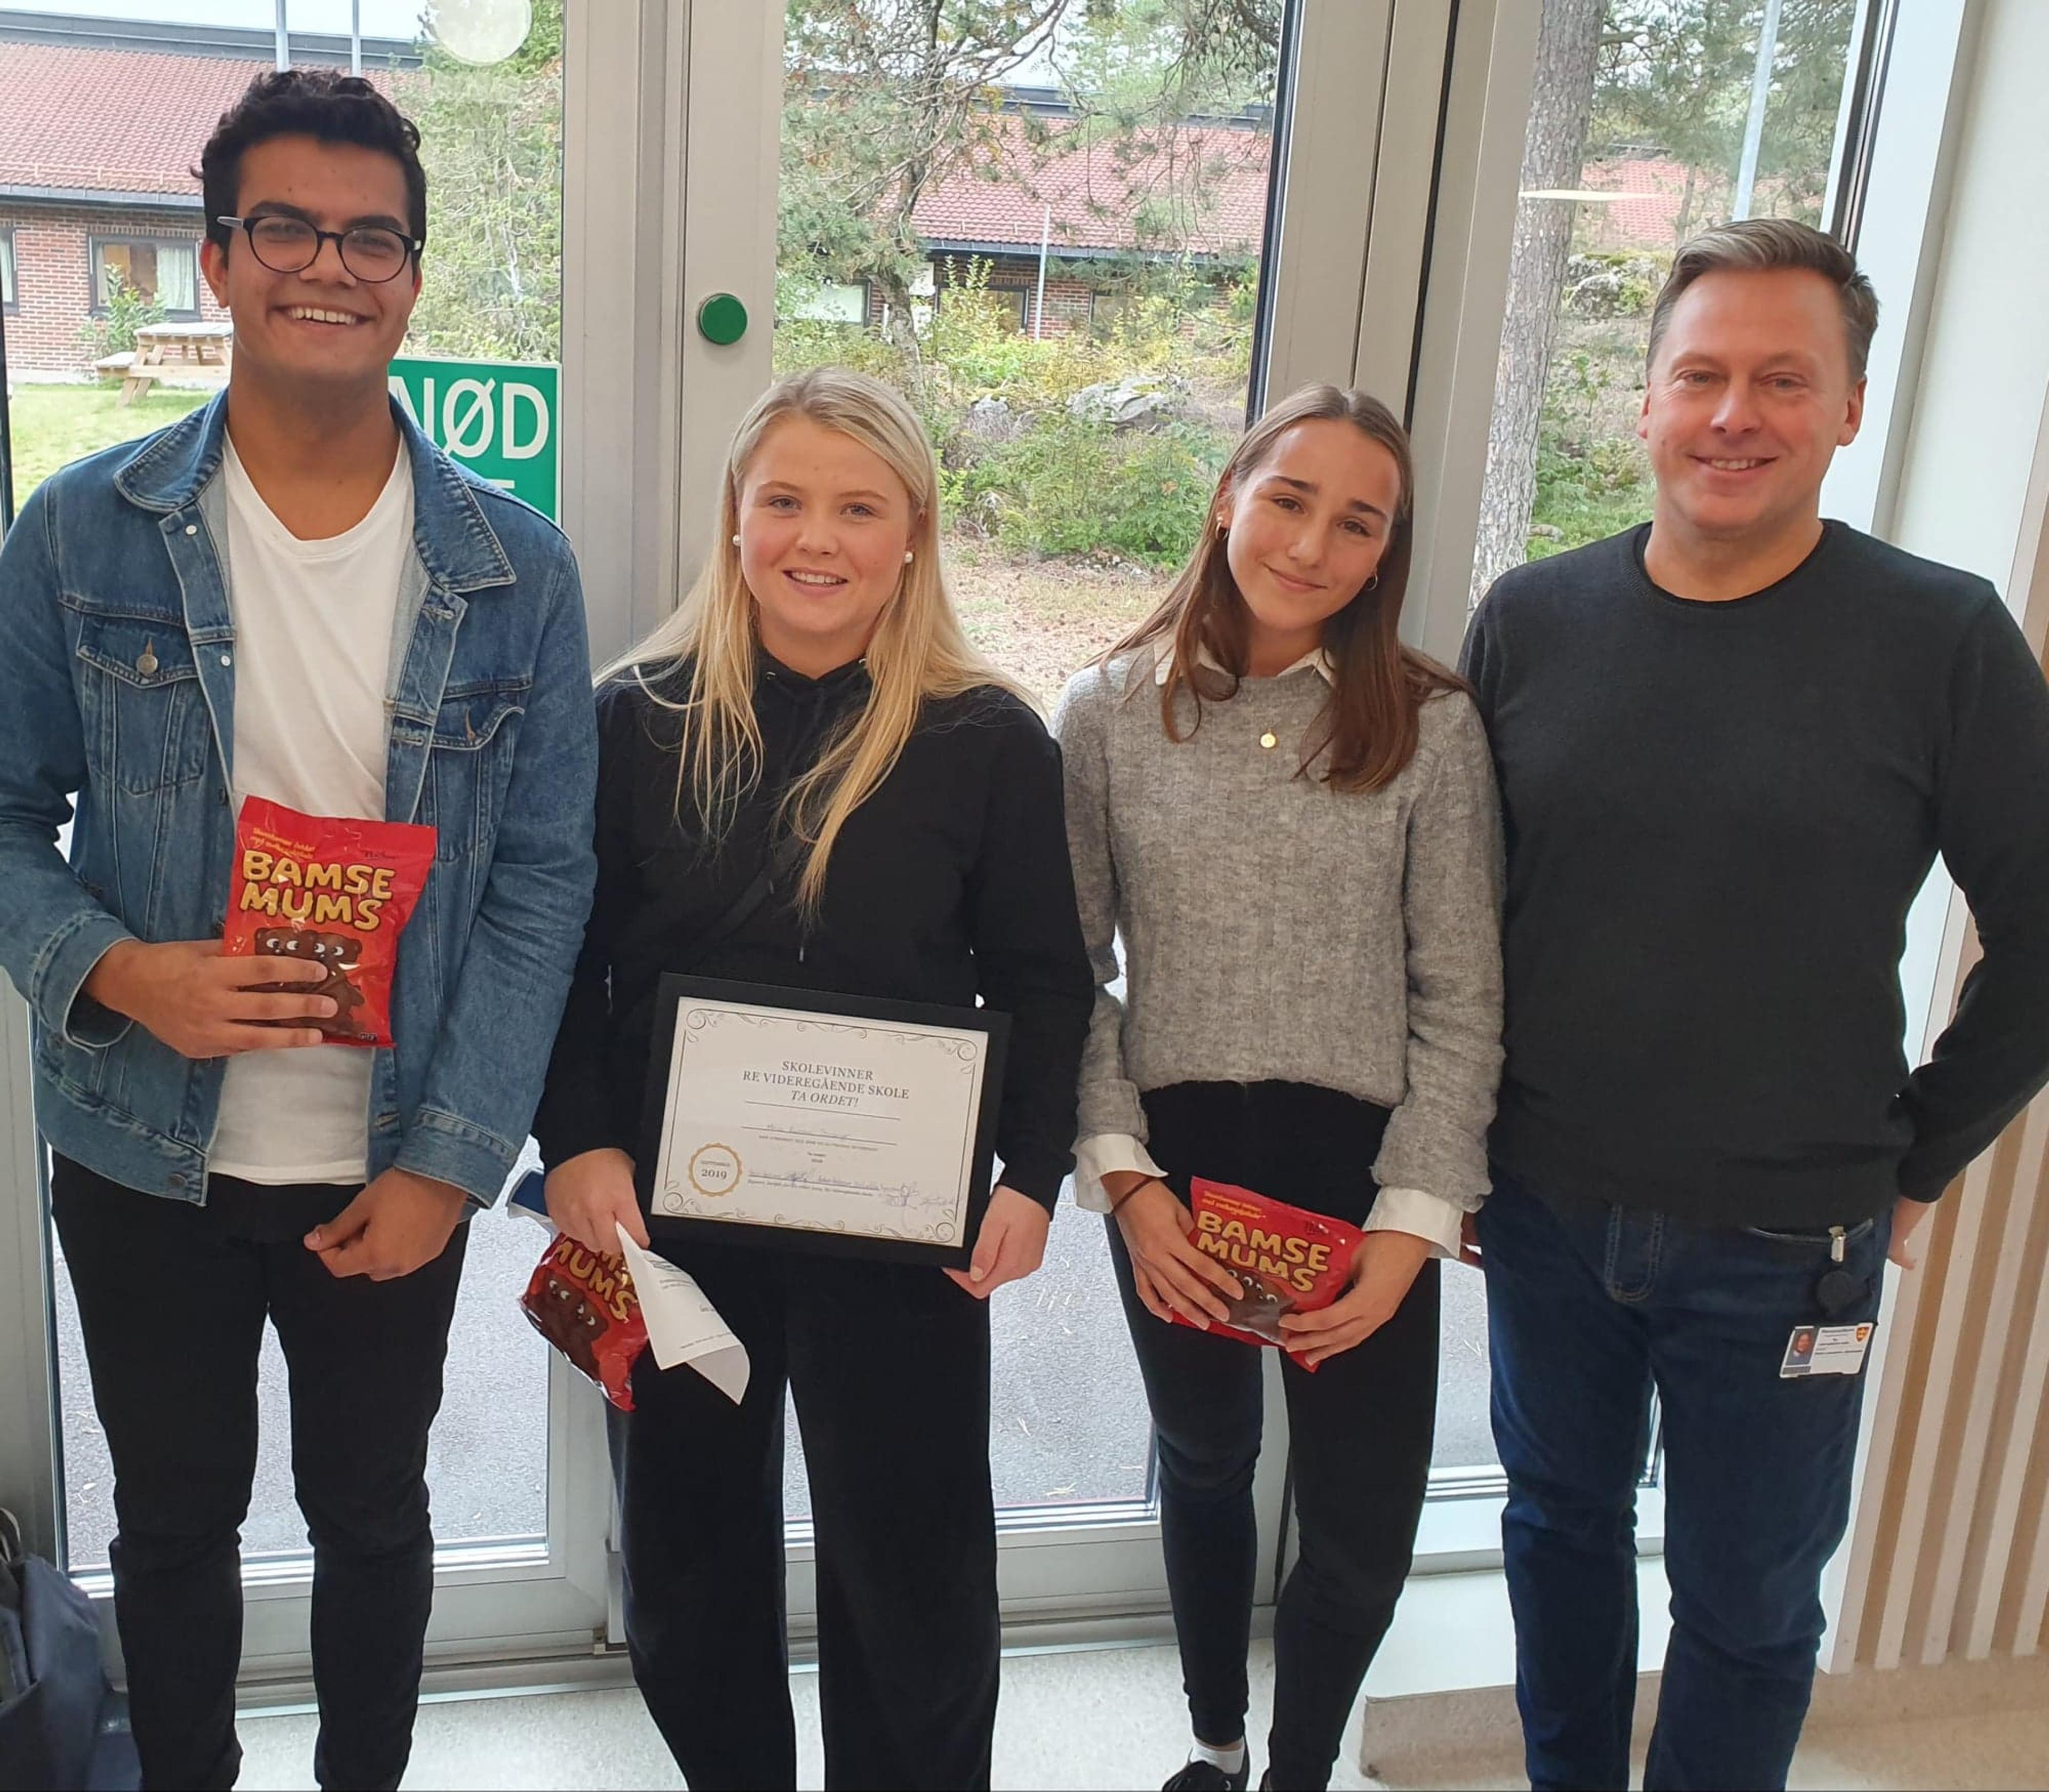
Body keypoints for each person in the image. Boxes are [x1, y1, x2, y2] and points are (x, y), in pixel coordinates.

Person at [0, 70, 597, 1791]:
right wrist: (120, 972)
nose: (327, 266)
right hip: (143, 1150)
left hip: (386, 1160)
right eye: (285, 229)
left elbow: (544, 877)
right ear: (216, 257)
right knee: (175, 1522)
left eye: (369, 238)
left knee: (373, 1515)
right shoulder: (82, 530)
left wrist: (454, 1163)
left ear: (410, 275)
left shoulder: (519, 570)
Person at [1462, 218, 2049, 1791]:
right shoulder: (1530, 620)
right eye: (1701, 375)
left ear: (1849, 407)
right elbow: (1457, 924)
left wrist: (1921, 1158)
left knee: (1747, 1607)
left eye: (1783, 380)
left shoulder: (1942, 639)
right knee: (1556, 1536)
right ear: (1645, 401)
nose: (1736, 414)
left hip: (1793, 1243)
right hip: (1544, 1212)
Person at [534, 367, 1093, 1791]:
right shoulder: (634, 719)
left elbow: (1046, 979)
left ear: (914, 534)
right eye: (784, 501)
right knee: (686, 1564)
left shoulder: (989, 740)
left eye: (859, 508)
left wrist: (1031, 1177)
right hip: (674, 1224)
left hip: (901, 1229)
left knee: (915, 1579)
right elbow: (566, 959)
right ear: (735, 517)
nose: (817, 539)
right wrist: (579, 1142)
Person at [1055, 383, 1504, 1792]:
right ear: (1227, 499)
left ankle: (1301, 1768)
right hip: (1177, 1168)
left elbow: (1462, 994)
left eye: (1357, 523)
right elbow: (1072, 973)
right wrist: (1126, 1182)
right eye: (1290, 499)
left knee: (1362, 1524)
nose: (1313, 544)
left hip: (1363, 1181)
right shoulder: (1107, 712)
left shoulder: (1431, 725)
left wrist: (1412, 1222)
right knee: (1203, 1458)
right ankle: (1216, 1742)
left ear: (1385, 555)